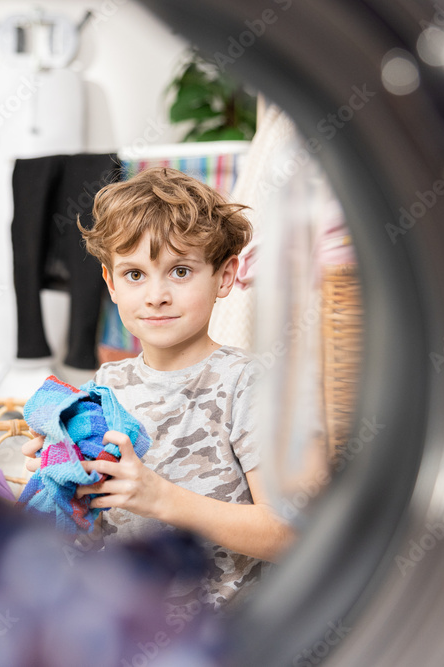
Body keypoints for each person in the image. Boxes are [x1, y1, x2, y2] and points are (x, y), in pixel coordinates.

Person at [21, 167, 294, 611]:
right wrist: (63, 477)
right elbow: (91, 531)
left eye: (180, 271)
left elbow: (288, 534)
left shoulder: (248, 383)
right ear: (110, 283)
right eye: (134, 275)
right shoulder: (104, 388)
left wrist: (160, 497)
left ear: (224, 277)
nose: (156, 295)